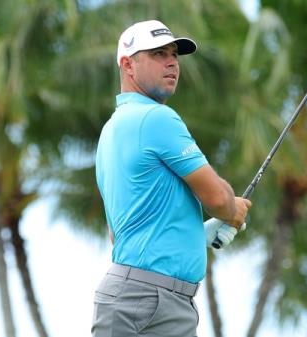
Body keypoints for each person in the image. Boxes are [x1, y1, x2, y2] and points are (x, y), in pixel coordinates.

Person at [92, 20, 252, 337]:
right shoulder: (156, 117)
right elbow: (218, 199)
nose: (172, 63)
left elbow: (125, 233)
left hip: (145, 301)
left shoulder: (111, 130)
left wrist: (198, 233)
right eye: (158, 54)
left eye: (174, 55)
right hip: (149, 303)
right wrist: (232, 212)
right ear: (128, 64)